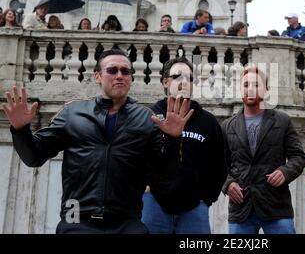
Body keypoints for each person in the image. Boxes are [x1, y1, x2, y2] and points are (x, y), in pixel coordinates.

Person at [1, 49, 193, 234]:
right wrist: (21, 130)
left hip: (127, 222)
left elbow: (165, 175)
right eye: (112, 70)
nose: (120, 75)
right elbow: (33, 157)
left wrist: (173, 139)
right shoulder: (73, 113)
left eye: (125, 71)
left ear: (131, 78)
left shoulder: (146, 119)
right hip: (76, 219)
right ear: (98, 76)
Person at [142, 57, 226, 234]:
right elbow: (135, 157)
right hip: (154, 203)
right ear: (165, 82)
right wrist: (144, 189)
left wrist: (206, 198)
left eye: (189, 78)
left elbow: (220, 163)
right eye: (178, 76)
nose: (184, 82)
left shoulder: (208, 122)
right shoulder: (149, 116)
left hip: (194, 208)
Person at [221, 66, 305, 234]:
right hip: (241, 209)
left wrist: (285, 172)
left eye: (256, 84)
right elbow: (217, 164)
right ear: (240, 89)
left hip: (276, 206)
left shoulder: (282, 121)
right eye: (246, 85)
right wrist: (227, 184)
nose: (250, 89)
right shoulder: (227, 126)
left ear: (266, 90)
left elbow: (298, 157)